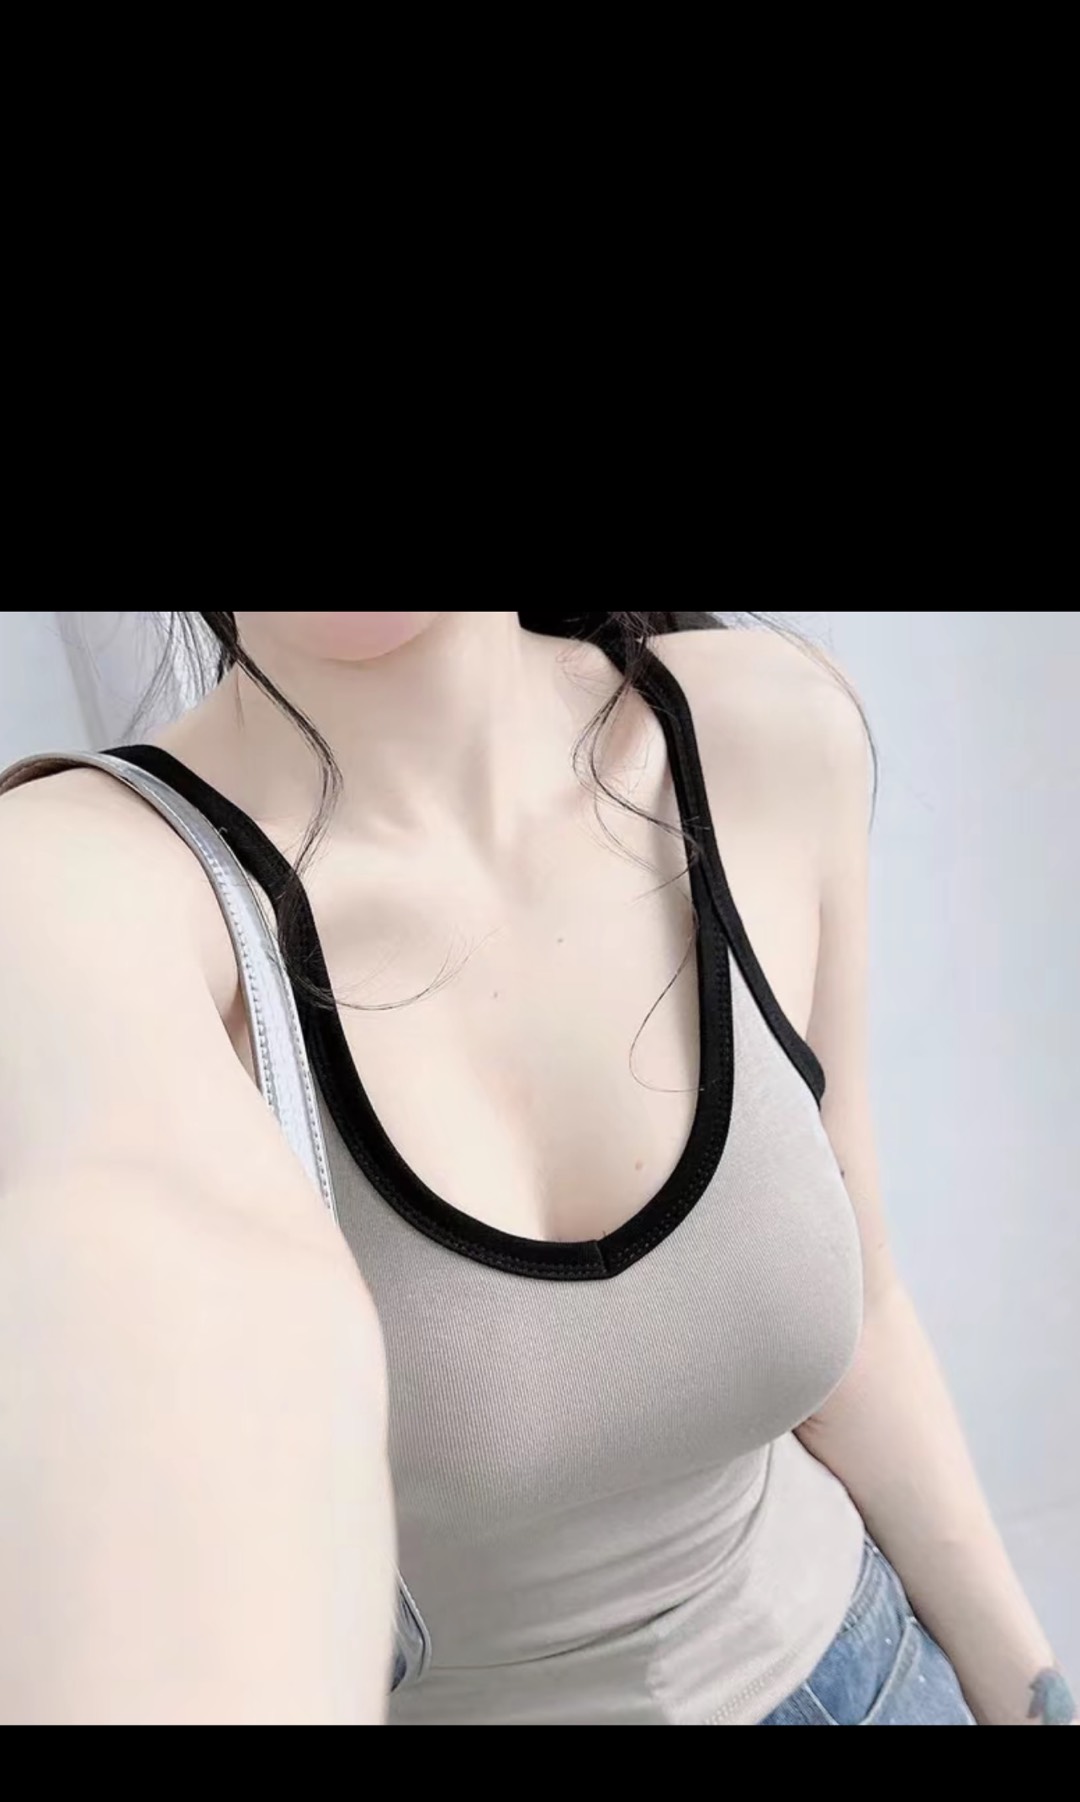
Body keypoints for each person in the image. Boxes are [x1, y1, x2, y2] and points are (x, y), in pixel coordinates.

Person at [0, 610, 1073, 1726]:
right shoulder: (84, 882)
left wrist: (1033, 1697)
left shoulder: (756, 726)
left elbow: (867, 1324)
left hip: (879, 1683)